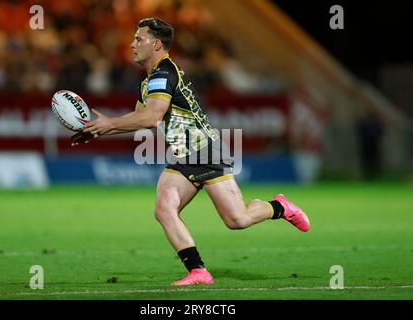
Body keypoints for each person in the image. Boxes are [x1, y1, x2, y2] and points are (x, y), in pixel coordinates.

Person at [71, 17, 310, 285]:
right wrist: (97, 130)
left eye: (139, 39)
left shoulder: (163, 73)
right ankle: (198, 271)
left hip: (205, 152)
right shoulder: (150, 80)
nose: (132, 43)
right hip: (183, 156)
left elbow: (151, 117)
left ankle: (280, 207)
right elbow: (141, 119)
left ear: (157, 44)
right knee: (164, 209)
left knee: (237, 219)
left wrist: (108, 124)